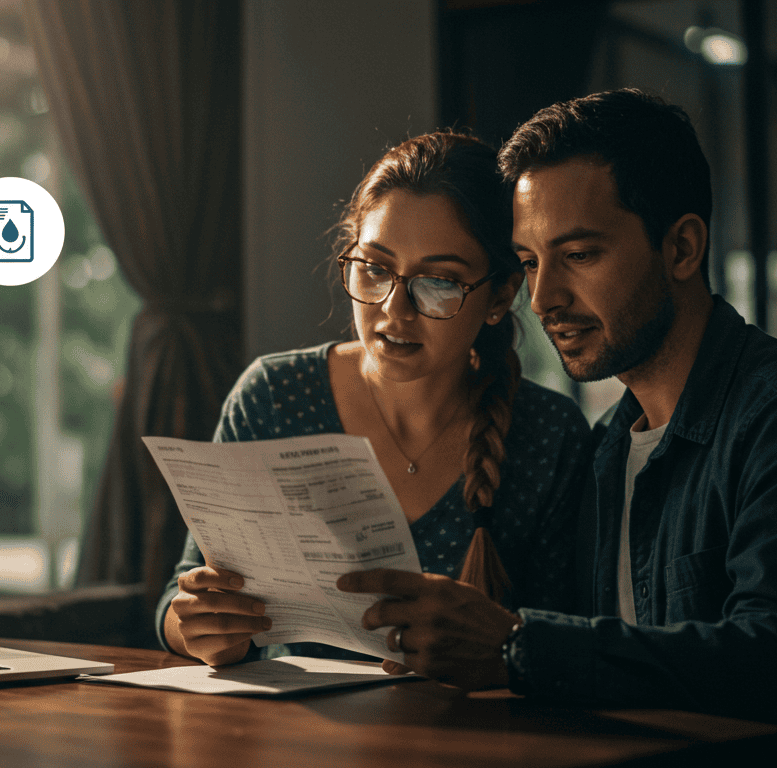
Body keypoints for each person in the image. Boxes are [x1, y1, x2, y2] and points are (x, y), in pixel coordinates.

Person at [337, 89, 777, 763]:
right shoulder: (608, 447)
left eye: (579, 255)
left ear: (681, 247)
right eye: (529, 262)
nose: (545, 297)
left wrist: (515, 647)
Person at [155, 130, 591, 668]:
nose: (394, 310)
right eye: (376, 268)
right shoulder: (273, 399)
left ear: (500, 295)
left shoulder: (549, 435)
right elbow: (184, 595)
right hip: (295, 739)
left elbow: (570, 647)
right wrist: (196, 626)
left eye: (439, 281)